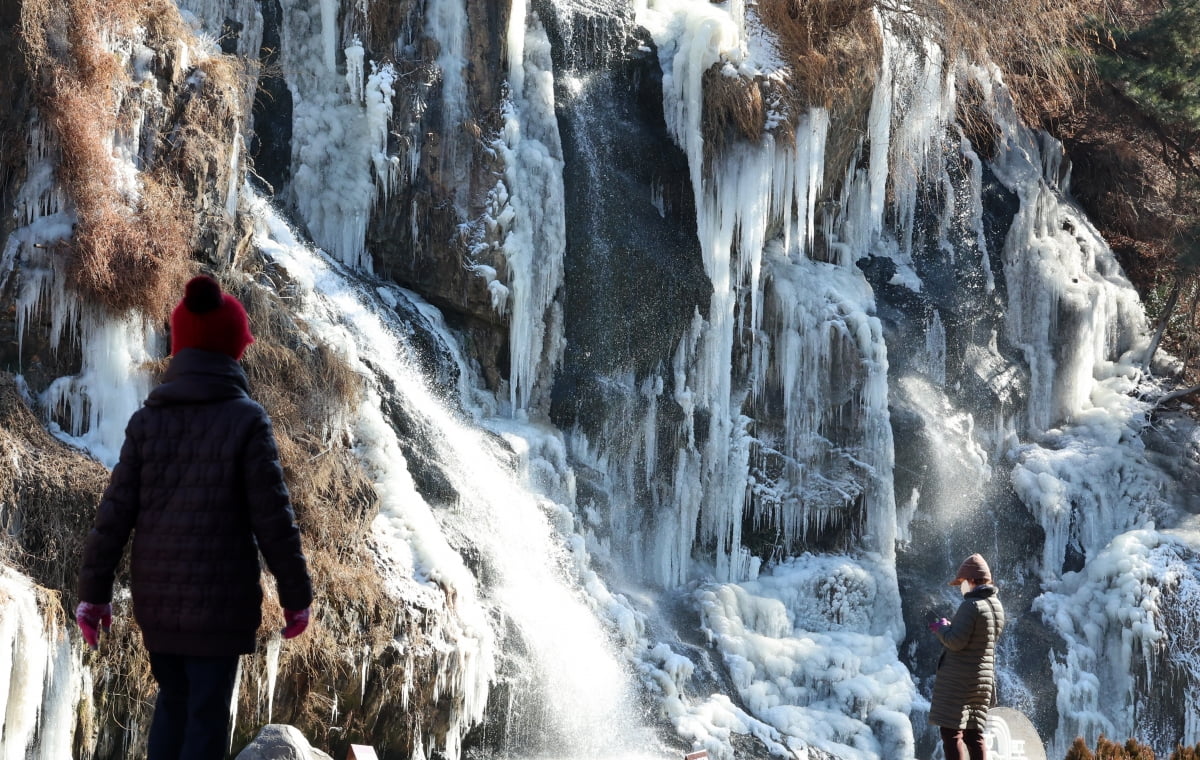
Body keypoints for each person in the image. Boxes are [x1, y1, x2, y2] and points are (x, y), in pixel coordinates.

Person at [75, 274, 314, 760]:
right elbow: (274, 519)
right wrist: (296, 596)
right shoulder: (247, 421)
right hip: (221, 606)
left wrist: (93, 596)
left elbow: (114, 515)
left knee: (174, 702)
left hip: (158, 603)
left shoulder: (148, 420)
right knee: (207, 716)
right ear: (233, 351)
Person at [928, 553, 1006, 760]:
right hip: (982, 681)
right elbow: (978, 640)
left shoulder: (971, 606)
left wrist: (941, 628)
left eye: (962, 582)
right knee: (974, 735)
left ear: (971, 580)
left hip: (961, 681)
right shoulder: (996, 606)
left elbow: (956, 642)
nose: (961, 587)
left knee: (951, 733)